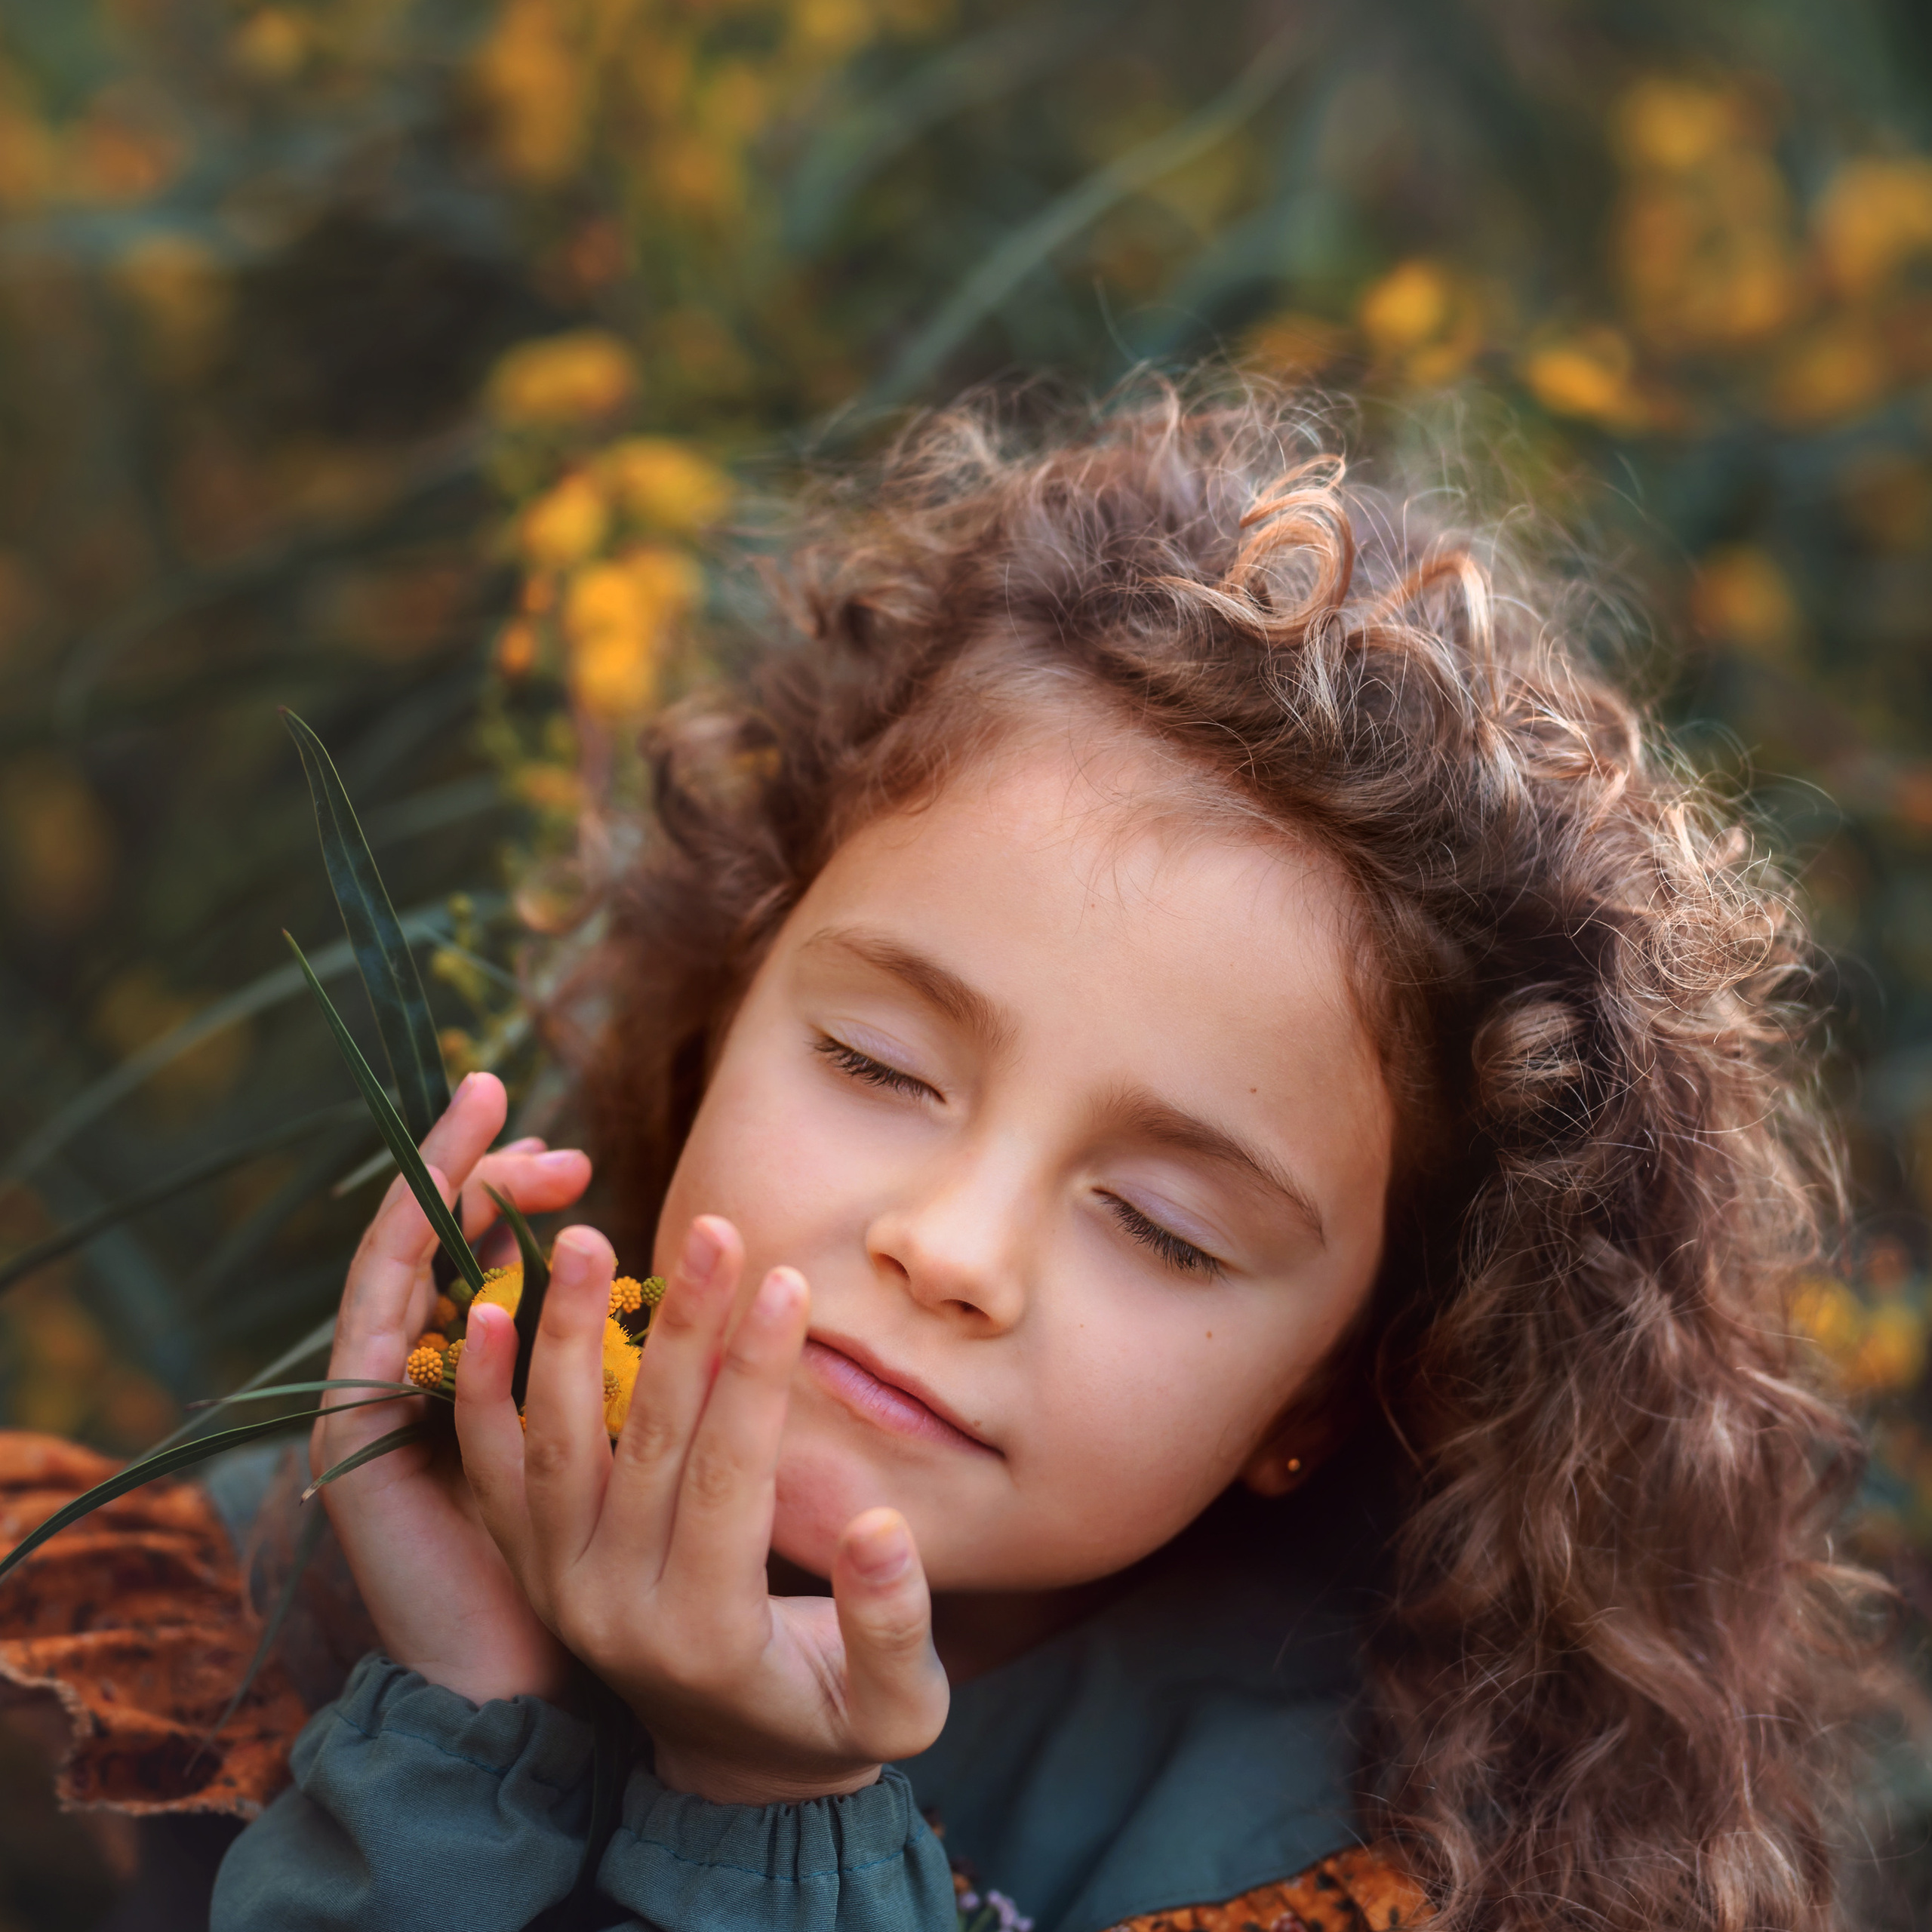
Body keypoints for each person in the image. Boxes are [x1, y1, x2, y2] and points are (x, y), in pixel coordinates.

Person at [208, 383, 1881, 1932]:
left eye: (1163, 1228)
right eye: (877, 1061)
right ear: (715, 1020)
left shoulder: (1342, 1865)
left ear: (1320, 1393)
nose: (954, 1248)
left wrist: (767, 1799)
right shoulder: (296, 1575)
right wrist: (462, 1729)